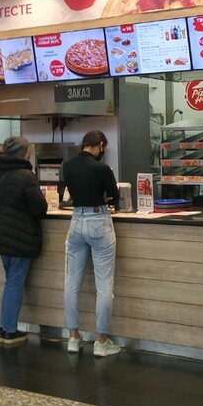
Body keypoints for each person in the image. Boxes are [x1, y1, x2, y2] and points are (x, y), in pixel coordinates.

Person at [0, 136, 47, 346]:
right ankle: (8, 330)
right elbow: (40, 208)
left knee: (11, 280)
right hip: (21, 236)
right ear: (25, 153)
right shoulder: (27, 176)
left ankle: (4, 326)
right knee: (15, 282)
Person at [62, 130, 121, 357]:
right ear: (100, 146)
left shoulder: (67, 165)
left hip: (76, 221)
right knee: (104, 286)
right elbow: (114, 196)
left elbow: (68, 192)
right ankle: (101, 342)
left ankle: (73, 338)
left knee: (71, 283)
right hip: (99, 221)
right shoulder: (102, 169)